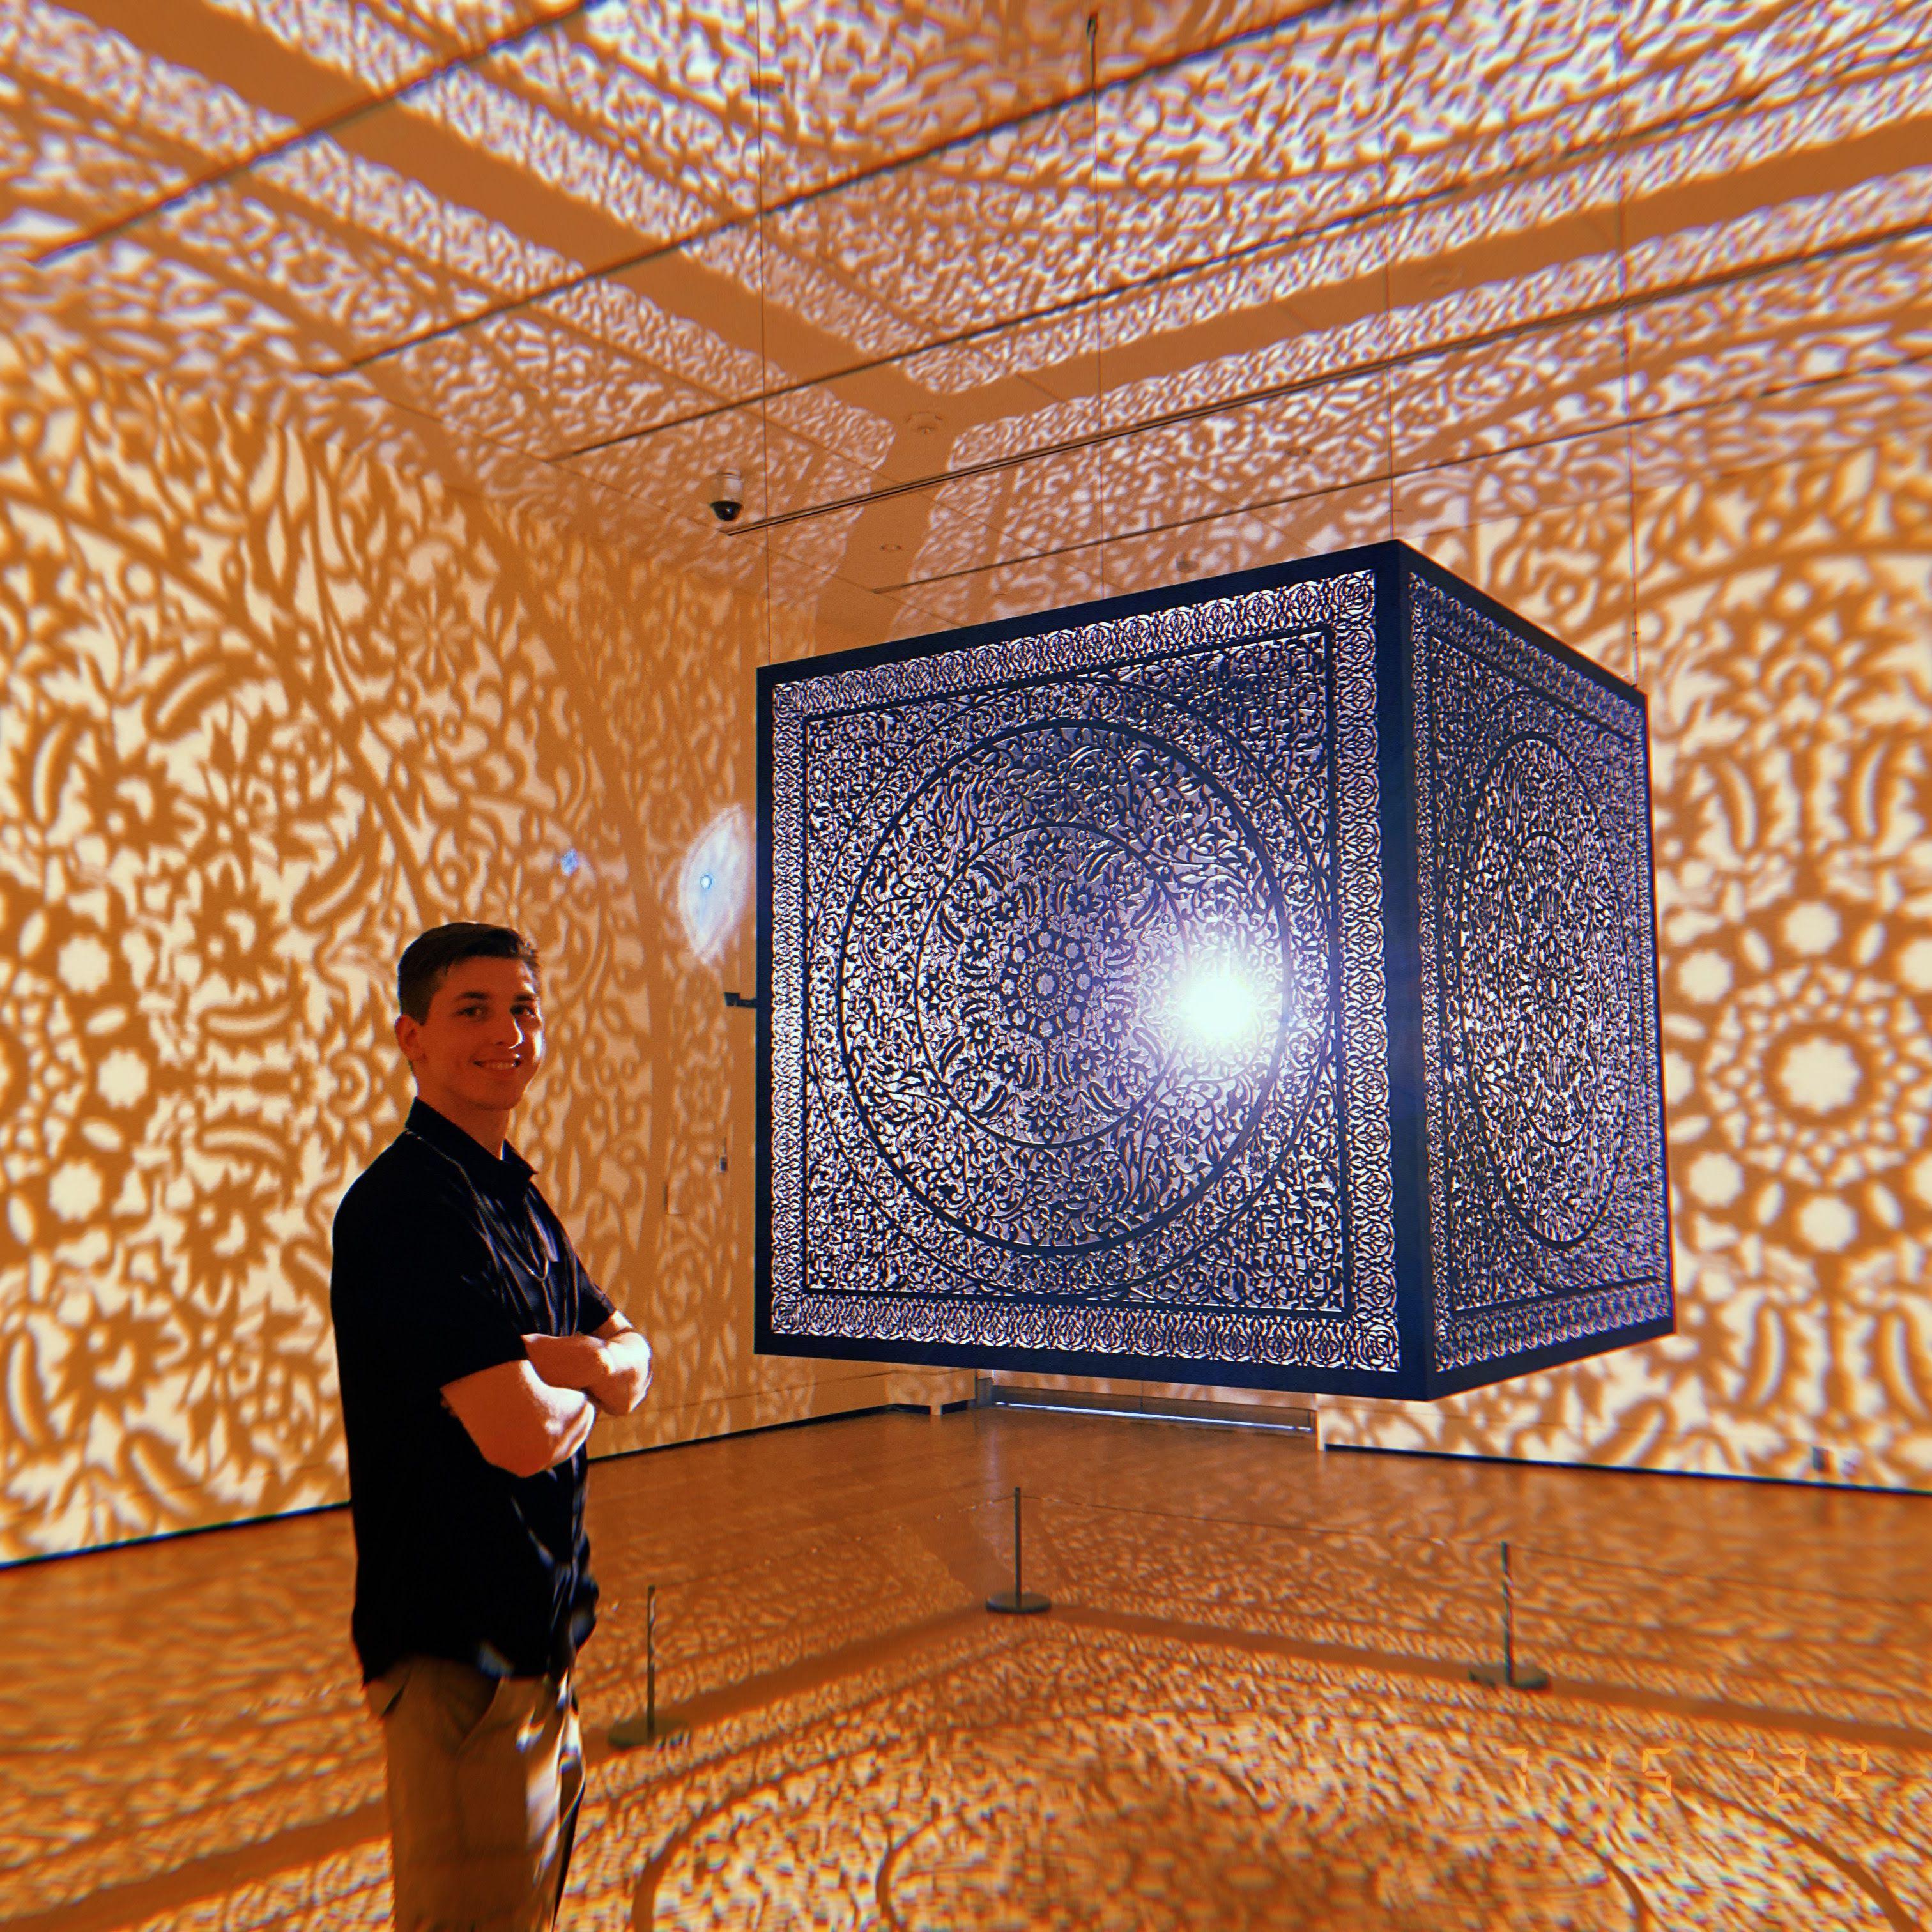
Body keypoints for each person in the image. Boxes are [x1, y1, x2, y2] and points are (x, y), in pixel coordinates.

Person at [330, 922, 653, 1931]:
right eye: (473, 1009)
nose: (507, 1032)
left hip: (538, 1644)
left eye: (523, 1008)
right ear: (411, 1037)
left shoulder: (519, 1201)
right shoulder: (406, 1207)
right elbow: (518, 1436)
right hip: (457, 1662)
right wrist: (593, 1381)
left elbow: (634, 1358)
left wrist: (586, 1367)